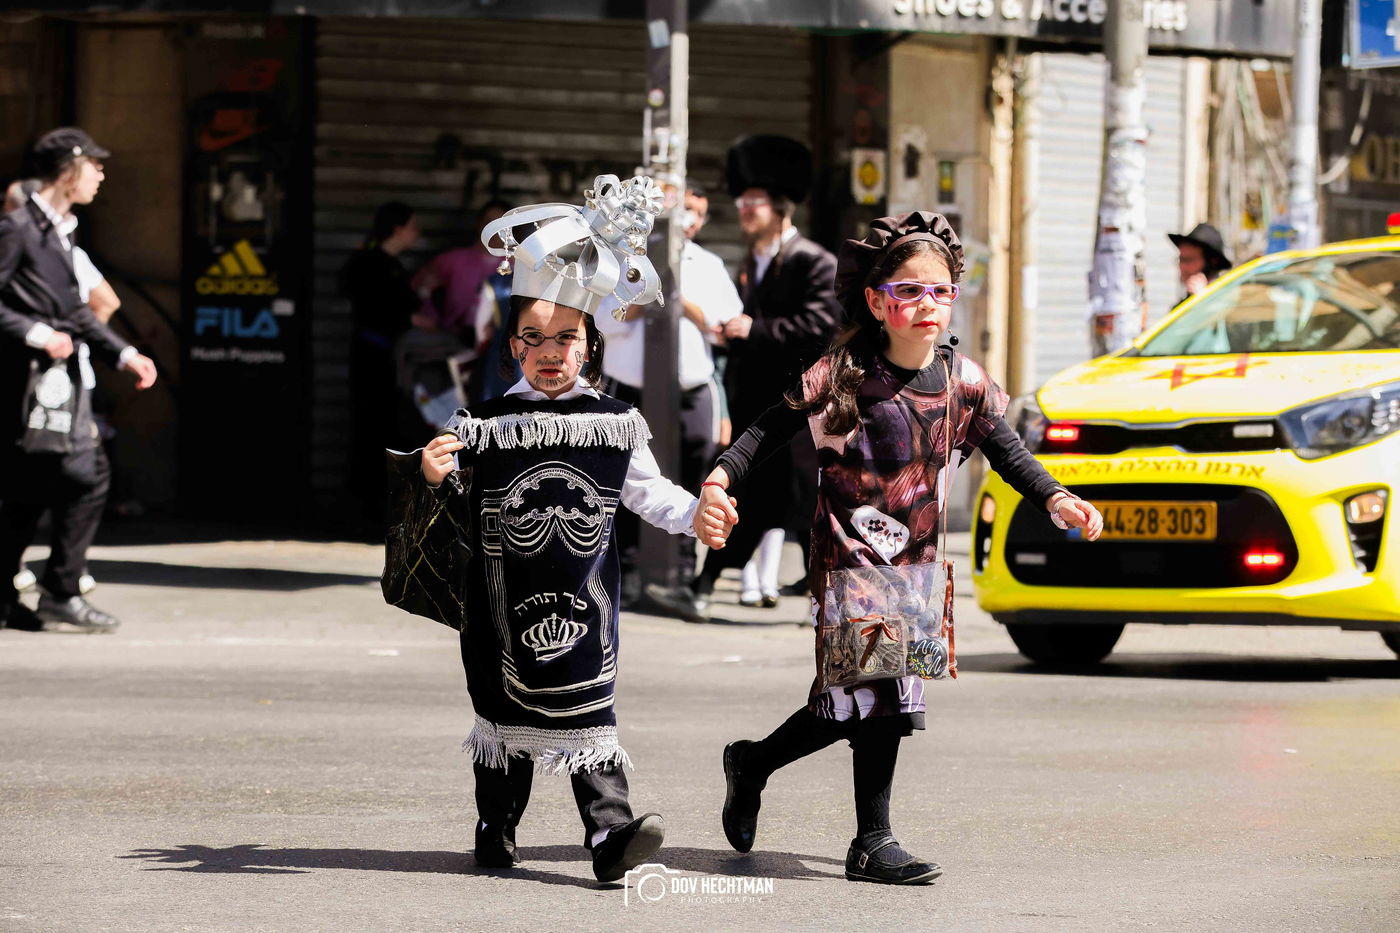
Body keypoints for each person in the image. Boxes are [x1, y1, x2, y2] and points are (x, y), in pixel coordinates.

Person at [695, 211, 1103, 884]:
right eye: (909, 290)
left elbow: (1007, 451)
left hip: (915, 569)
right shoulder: (842, 374)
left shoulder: (963, 380)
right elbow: (768, 430)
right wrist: (719, 479)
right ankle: (872, 840)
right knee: (878, 695)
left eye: (940, 291)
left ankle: (754, 762)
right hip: (847, 562)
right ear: (877, 300)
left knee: (856, 704)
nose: (926, 304)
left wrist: (1057, 498)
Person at [387, 174, 735, 883]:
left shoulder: (616, 423)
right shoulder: (480, 423)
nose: (551, 351)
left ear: (590, 345)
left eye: (566, 338)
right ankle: (496, 826)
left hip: (584, 605)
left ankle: (610, 837)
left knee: (590, 716)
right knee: (503, 723)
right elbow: (442, 515)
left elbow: (650, 495)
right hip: (496, 608)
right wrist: (429, 474)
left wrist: (696, 516)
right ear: (513, 347)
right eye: (534, 338)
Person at [648, 136, 841, 622]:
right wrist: (731, 335)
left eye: (754, 202)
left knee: (803, 503)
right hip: (759, 405)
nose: (744, 211)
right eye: (742, 202)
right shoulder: (752, 262)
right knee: (761, 501)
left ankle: (823, 596)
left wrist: (753, 329)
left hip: (799, 412)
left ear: (779, 207)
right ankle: (708, 588)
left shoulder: (813, 260)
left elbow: (822, 327)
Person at [0, 128, 158, 633]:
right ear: (68, 171)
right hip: (27, 381)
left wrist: (125, 354)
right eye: (94, 164)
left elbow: (75, 311)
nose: (101, 174)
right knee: (85, 477)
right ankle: (62, 591)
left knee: (29, 485)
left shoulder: (60, 231)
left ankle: (11, 594)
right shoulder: (17, 229)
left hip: (57, 382)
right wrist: (37, 333)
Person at [596, 183, 742, 607]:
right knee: (625, 477)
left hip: (691, 389)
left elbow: (725, 327)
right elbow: (603, 321)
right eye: (681, 210)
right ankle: (627, 572)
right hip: (630, 387)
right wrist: (647, 295)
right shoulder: (622, 261)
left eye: (697, 212)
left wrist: (685, 303)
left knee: (693, 475)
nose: (688, 220)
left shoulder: (709, 265)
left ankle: (680, 573)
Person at [6, 176, 117, 598]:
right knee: (46, 480)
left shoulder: (58, 246)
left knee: (67, 477)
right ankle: (58, 583)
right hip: (36, 385)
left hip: (57, 385)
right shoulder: (19, 241)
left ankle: (59, 580)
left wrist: (76, 346)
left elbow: (101, 304)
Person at [339, 201, 421, 525]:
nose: (417, 233)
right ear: (398, 229)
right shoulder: (370, 263)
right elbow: (393, 309)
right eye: (413, 226)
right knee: (372, 426)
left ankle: (381, 503)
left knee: (386, 426)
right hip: (373, 357)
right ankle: (368, 506)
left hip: (386, 357)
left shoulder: (389, 264)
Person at [1168, 222, 1232, 303]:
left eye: (1189, 260)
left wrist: (1202, 299)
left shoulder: (1228, 297)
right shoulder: (1185, 302)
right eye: (1181, 260)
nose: (1182, 267)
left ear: (1212, 262)